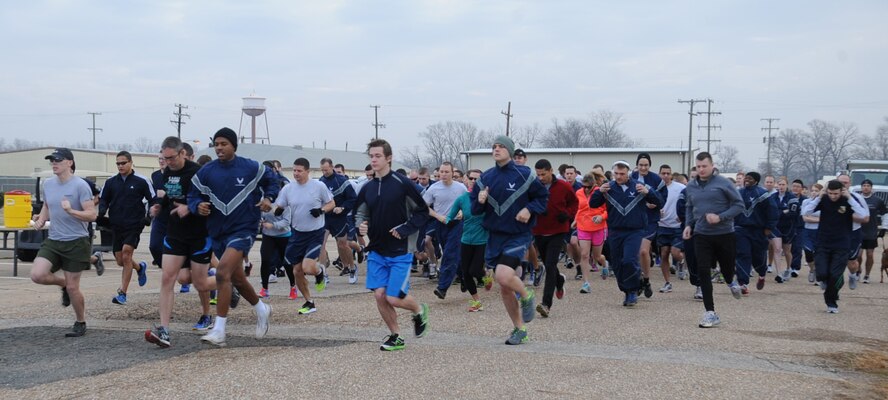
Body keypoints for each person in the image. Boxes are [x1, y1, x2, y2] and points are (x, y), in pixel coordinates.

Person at [189, 127, 278, 347]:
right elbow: (193, 194)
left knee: (222, 273)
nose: (219, 148)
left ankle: (219, 330)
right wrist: (196, 205)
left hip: (244, 229)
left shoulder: (250, 167)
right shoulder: (206, 171)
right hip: (218, 232)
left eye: (224, 144)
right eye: (216, 144)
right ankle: (261, 308)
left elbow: (272, 181)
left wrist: (269, 197)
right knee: (237, 278)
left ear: (234, 146)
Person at [354, 138, 430, 351]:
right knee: (379, 294)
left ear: (389, 158)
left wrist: (405, 229)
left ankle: (419, 310)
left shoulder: (403, 184)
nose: (374, 159)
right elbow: (360, 212)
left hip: (400, 250)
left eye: (378, 156)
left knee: (394, 297)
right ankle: (396, 335)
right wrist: (360, 226)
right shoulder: (367, 188)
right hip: (377, 249)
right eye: (372, 156)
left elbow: (422, 212)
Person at [145, 137, 220, 347]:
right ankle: (164, 331)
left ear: (182, 154)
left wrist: (191, 207)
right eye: (164, 158)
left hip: (199, 235)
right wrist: (159, 206)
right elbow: (170, 197)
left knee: (198, 282)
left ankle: (226, 281)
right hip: (175, 233)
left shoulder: (198, 172)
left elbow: (212, 201)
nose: (167, 162)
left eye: (170, 158)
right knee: (169, 279)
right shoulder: (167, 173)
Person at [472, 136, 547, 345]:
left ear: (511, 151)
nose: (496, 149)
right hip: (494, 236)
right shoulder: (485, 178)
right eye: (494, 146)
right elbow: (475, 210)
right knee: (504, 286)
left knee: (503, 276)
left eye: (501, 146)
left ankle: (527, 295)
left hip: (518, 234)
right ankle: (519, 329)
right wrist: (479, 201)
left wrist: (528, 209)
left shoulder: (525, 174)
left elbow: (542, 198)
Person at [30, 148, 97, 337]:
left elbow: (92, 215)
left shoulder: (80, 186)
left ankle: (80, 321)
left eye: (57, 160)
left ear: (70, 162)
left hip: (76, 242)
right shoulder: (48, 184)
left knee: (74, 287)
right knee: (37, 275)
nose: (54, 164)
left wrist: (71, 211)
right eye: (51, 161)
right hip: (54, 239)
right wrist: (42, 219)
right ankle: (62, 284)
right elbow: (47, 205)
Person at [682, 152, 744, 328]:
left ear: (712, 166)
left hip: (724, 233)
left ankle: (731, 282)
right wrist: (688, 225)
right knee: (703, 270)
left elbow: (739, 205)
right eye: (698, 166)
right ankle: (710, 312)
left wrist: (720, 217)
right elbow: (689, 206)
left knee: (726, 269)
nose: (701, 169)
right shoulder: (691, 186)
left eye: (704, 166)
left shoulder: (723, 183)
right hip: (702, 234)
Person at [590, 161, 662, 307]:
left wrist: (648, 192)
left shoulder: (638, 186)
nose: (618, 176)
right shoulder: (608, 187)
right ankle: (628, 288)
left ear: (628, 173)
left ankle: (632, 292)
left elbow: (659, 201)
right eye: (616, 173)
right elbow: (593, 204)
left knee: (629, 260)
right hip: (615, 231)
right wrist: (599, 192)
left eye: (622, 174)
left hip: (635, 231)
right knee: (617, 264)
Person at [274, 157, 334, 315]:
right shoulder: (288, 188)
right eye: (294, 170)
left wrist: (321, 210)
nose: (296, 173)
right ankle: (309, 302)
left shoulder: (318, 186)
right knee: (297, 272)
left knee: (307, 267)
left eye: (299, 171)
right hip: (297, 234)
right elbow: (280, 205)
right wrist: (278, 210)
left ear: (307, 171)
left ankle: (319, 272)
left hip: (315, 233)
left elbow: (331, 203)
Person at [801, 180, 868, 313]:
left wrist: (849, 198)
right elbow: (806, 211)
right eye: (830, 193)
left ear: (841, 191)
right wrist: (819, 196)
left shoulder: (848, 200)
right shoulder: (823, 199)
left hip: (842, 243)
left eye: (836, 193)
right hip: (823, 242)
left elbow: (863, 215)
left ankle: (831, 303)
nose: (833, 196)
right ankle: (826, 282)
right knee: (822, 273)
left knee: (834, 275)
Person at [99, 151, 154, 305]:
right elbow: (104, 199)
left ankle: (122, 293)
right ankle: (140, 268)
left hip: (134, 224)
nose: (120, 166)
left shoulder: (141, 181)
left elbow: (153, 199)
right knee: (120, 260)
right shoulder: (111, 182)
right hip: (116, 225)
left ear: (131, 162)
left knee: (126, 253)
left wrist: (149, 217)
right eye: (118, 163)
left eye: (123, 163)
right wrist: (102, 211)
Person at [532, 159, 577, 318]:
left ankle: (546, 304)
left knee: (550, 265)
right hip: (539, 231)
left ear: (551, 171)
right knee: (548, 264)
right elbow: (528, 203)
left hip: (558, 231)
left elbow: (574, 203)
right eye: (538, 175)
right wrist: (535, 210)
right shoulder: (534, 187)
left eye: (543, 174)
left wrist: (568, 214)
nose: (541, 177)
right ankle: (559, 281)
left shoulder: (564, 186)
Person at [445, 169, 489, 311]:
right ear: (466, 179)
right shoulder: (462, 199)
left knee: (475, 270)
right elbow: (449, 216)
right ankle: (477, 301)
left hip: (482, 240)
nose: (474, 181)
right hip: (465, 239)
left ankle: (486, 274)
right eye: (471, 178)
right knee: (465, 273)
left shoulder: (488, 198)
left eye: (477, 179)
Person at [424, 162, 467, 299]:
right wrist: (438, 216)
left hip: (456, 224)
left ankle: (442, 287)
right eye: (441, 172)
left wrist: (462, 211)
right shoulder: (433, 188)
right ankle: (464, 276)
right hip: (441, 224)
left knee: (449, 253)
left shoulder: (460, 187)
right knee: (455, 255)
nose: (443, 174)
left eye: (446, 172)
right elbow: (424, 206)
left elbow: (468, 202)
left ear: (452, 173)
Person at [733, 172, 779, 295]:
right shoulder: (738, 193)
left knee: (758, 257)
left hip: (758, 230)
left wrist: (769, 227)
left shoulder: (763, 194)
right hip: (740, 229)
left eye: (750, 178)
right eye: (746, 178)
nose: (747, 180)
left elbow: (773, 212)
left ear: (756, 181)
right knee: (743, 254)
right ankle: (743, 283)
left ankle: (762, 274)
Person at [630, 153, 667, 299]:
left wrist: (651, 195)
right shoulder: (630, 178)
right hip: (634, 220)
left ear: (650, 166)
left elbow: (662, 201)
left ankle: (646, 280)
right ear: (637, 165)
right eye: (641, 165)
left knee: (644, 251)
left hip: (650, 221)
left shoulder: (657, 180)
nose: (643, 168)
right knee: (633, 253)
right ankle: (637, 280)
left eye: (646, 165)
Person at [258, 161, 296, 299]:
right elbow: (261, 214)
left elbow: (287, 222)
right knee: (265, 260)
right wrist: (261, 221)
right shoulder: (264, 200)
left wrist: (273, 225)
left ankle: (293, 286)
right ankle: (264, 288)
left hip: (283, 236)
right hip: (268, 236)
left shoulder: (285, 202)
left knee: (286, 262)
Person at [318, 158, 359, 283]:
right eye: (322, 170)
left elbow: (353, 199)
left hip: (340, 218)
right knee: (321, 245)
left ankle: (352, 268)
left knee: (343, 244)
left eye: (326, 170)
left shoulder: (342, 181)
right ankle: (323, 273)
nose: (324, 172)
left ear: (332, 167)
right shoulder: (321, 181)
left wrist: (342, 208)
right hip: (325, 217)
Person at [573, 171, 609, 292]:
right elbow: (580, 208)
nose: (586, 189)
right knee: (584, 254)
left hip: (598, 226)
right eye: (584, 186)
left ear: (594, 185)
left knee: (596, 256)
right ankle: (586, 283)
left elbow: (608, 209)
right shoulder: (578, 192)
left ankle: (604, 264)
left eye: (589, 187)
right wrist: (575, 220)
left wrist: (602, 217)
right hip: (583, 226)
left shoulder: (600, 192)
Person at [836, 173, 870, 289]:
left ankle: (852, 274)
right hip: (836, 233)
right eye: (840, 182)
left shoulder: (857, 198)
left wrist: (847, 216)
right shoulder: (830, 197)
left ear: (849, 184)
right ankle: (833, 284)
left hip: (853, 233)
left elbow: (866, 218)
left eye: (845, 183)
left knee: (852, 262)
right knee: (835, 260)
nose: (843, 185)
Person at [656, 164, 686, 292]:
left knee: (675, 252)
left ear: (672, 175)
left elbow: (689, 201)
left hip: (677, 226)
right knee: (664, 254)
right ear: (659, 174)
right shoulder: (655, 188)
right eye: (663, 173)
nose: (666, 176)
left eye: (668, 173)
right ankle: (667, 282)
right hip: (662, 225)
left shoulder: (680, 188)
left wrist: (683, 215)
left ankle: (682, 262)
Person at [774, 178, 800, 283]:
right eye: (779, 184)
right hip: (776, 227)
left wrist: (780, 213)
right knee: (777, 249)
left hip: (788, 228)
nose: (781, 186)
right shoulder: (773, 197)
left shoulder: (792, 198)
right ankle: (779, 273)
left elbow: (793, 213)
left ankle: (789, 268)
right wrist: (783, 211)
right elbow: (771, 211)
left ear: (787, 185)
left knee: (787, 250)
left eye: (783, 184)